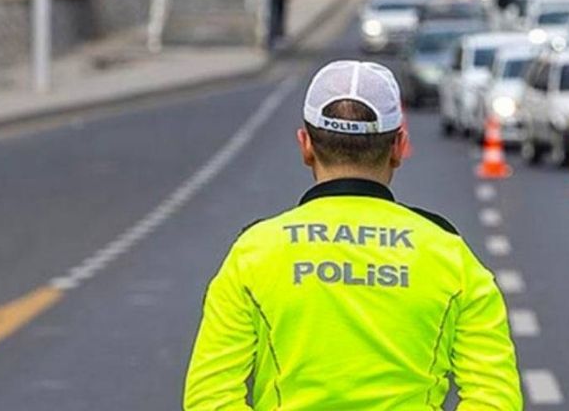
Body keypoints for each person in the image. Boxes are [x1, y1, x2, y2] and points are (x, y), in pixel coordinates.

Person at [184, 60, 522, 410]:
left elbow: (210, 399)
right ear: (398, 147)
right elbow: (495, 398)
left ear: (306, 145)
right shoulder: (450, 256)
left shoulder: (254, 253)